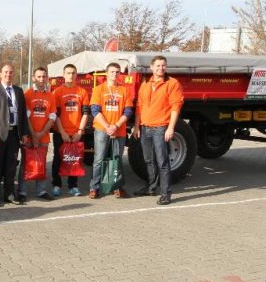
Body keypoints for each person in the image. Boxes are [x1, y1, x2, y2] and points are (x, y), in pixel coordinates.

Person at [133, 55, 184, 205]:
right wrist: (137, 125)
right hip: (145, 127)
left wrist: (171, 127)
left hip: (161, 127)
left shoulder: (172, 83)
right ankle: (151, 187)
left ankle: (166, 193)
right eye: (158, 66)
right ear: (151, 67)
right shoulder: (146, 84)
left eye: (163, 65)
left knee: (162, 161)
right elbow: (139, 106)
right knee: (148, 160)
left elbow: (176, 107)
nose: (161, 68)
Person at [0, 64, 30, 206]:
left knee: (11, 166)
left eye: (11, 72)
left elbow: (22, 113)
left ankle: (9, 194)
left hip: (14, 134)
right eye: (5, 72)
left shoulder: (18, 91)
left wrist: (24, 132)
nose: (8, 75)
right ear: (0, 74)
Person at [88, 63, 133, 199]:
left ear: (120, 74)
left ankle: (116, 187)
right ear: (106, 73)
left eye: (117, 72)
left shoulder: (125, 90)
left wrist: (116, 126)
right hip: (102, 129)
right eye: (112, 72)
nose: (115, 74)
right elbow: (95, 110)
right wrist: (108, 127)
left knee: (116, 160)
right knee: (99, 159)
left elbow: (128, 111)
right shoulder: (98, 89)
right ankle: (94, 187)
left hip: (118, 131)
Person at [18, 67, 57, 202]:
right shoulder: (27, 95)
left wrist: (40, 135)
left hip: (44, 137)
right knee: (25, 164)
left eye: (44, 76)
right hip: (29, 136)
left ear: (47, 78)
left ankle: (41, 191)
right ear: (34, 78)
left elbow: (52, 117)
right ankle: (22, 192)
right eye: (39, 76)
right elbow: (26, 117)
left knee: (41, 164)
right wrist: (34, 135)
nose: (41, 79)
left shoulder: (51, 96)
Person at [51, 64, 90, 196]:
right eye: (68, 73)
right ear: (63, 75)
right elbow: (55, 115)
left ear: (76, 74)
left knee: (75, 159)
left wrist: (80, 131)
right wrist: (62, 132)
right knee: (58, 159)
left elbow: (85, 113)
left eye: (73, 73)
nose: (71, 75)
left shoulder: (82, 92)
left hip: (77, 133)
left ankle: (73, 186)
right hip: (61, 133)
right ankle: (56, 185)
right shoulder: (57, 92)